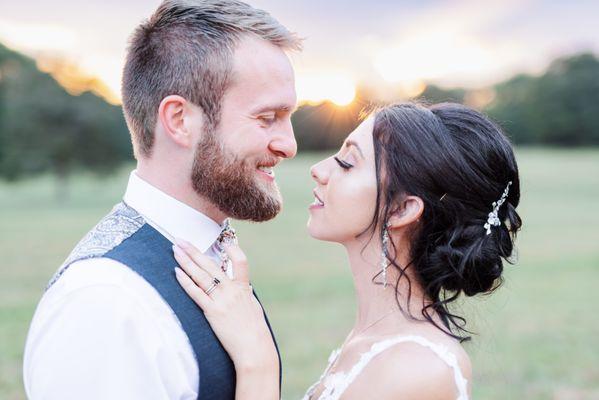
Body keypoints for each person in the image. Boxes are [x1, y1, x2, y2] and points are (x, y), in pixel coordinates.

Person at [23, 1, 302, 399]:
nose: (289, 144)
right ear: (179, 120)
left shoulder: (205, 255)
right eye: (266, 118)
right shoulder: (106, 304)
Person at [174, 102, 522, 399]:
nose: (319, 170)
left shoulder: (420, 368)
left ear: (402, 209)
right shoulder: (373, 338)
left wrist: (258, 360)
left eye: (347, 163)